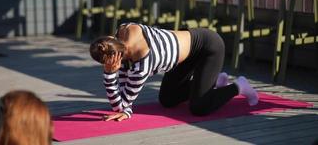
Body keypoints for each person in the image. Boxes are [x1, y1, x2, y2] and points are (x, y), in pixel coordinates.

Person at [90, 23, 259, 121]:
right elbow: (125, 100)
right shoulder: (124, 29)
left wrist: (109, 75)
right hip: (184, 56)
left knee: (199, 107)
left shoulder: (142, 64)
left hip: (208, 47)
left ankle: (238, 86)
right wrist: (125, 107)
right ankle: (215, 81)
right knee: (167, 99)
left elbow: (121, 105)